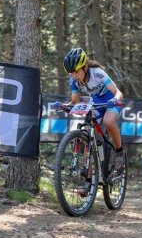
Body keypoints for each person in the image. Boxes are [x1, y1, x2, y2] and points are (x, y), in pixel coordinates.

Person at [54, 48, 126, 196]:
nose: (74, 75)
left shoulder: (97, 73)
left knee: (108, 122)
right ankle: (89, 181)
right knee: (88, 132)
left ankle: (119, 151)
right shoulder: (73, 79)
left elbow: (118, 92)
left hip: (111, 101)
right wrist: (65, 106)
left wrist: (114, 100)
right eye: (71, 73)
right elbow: (75, 100)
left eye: (77, 72)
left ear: (85, 67)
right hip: (96, 103)